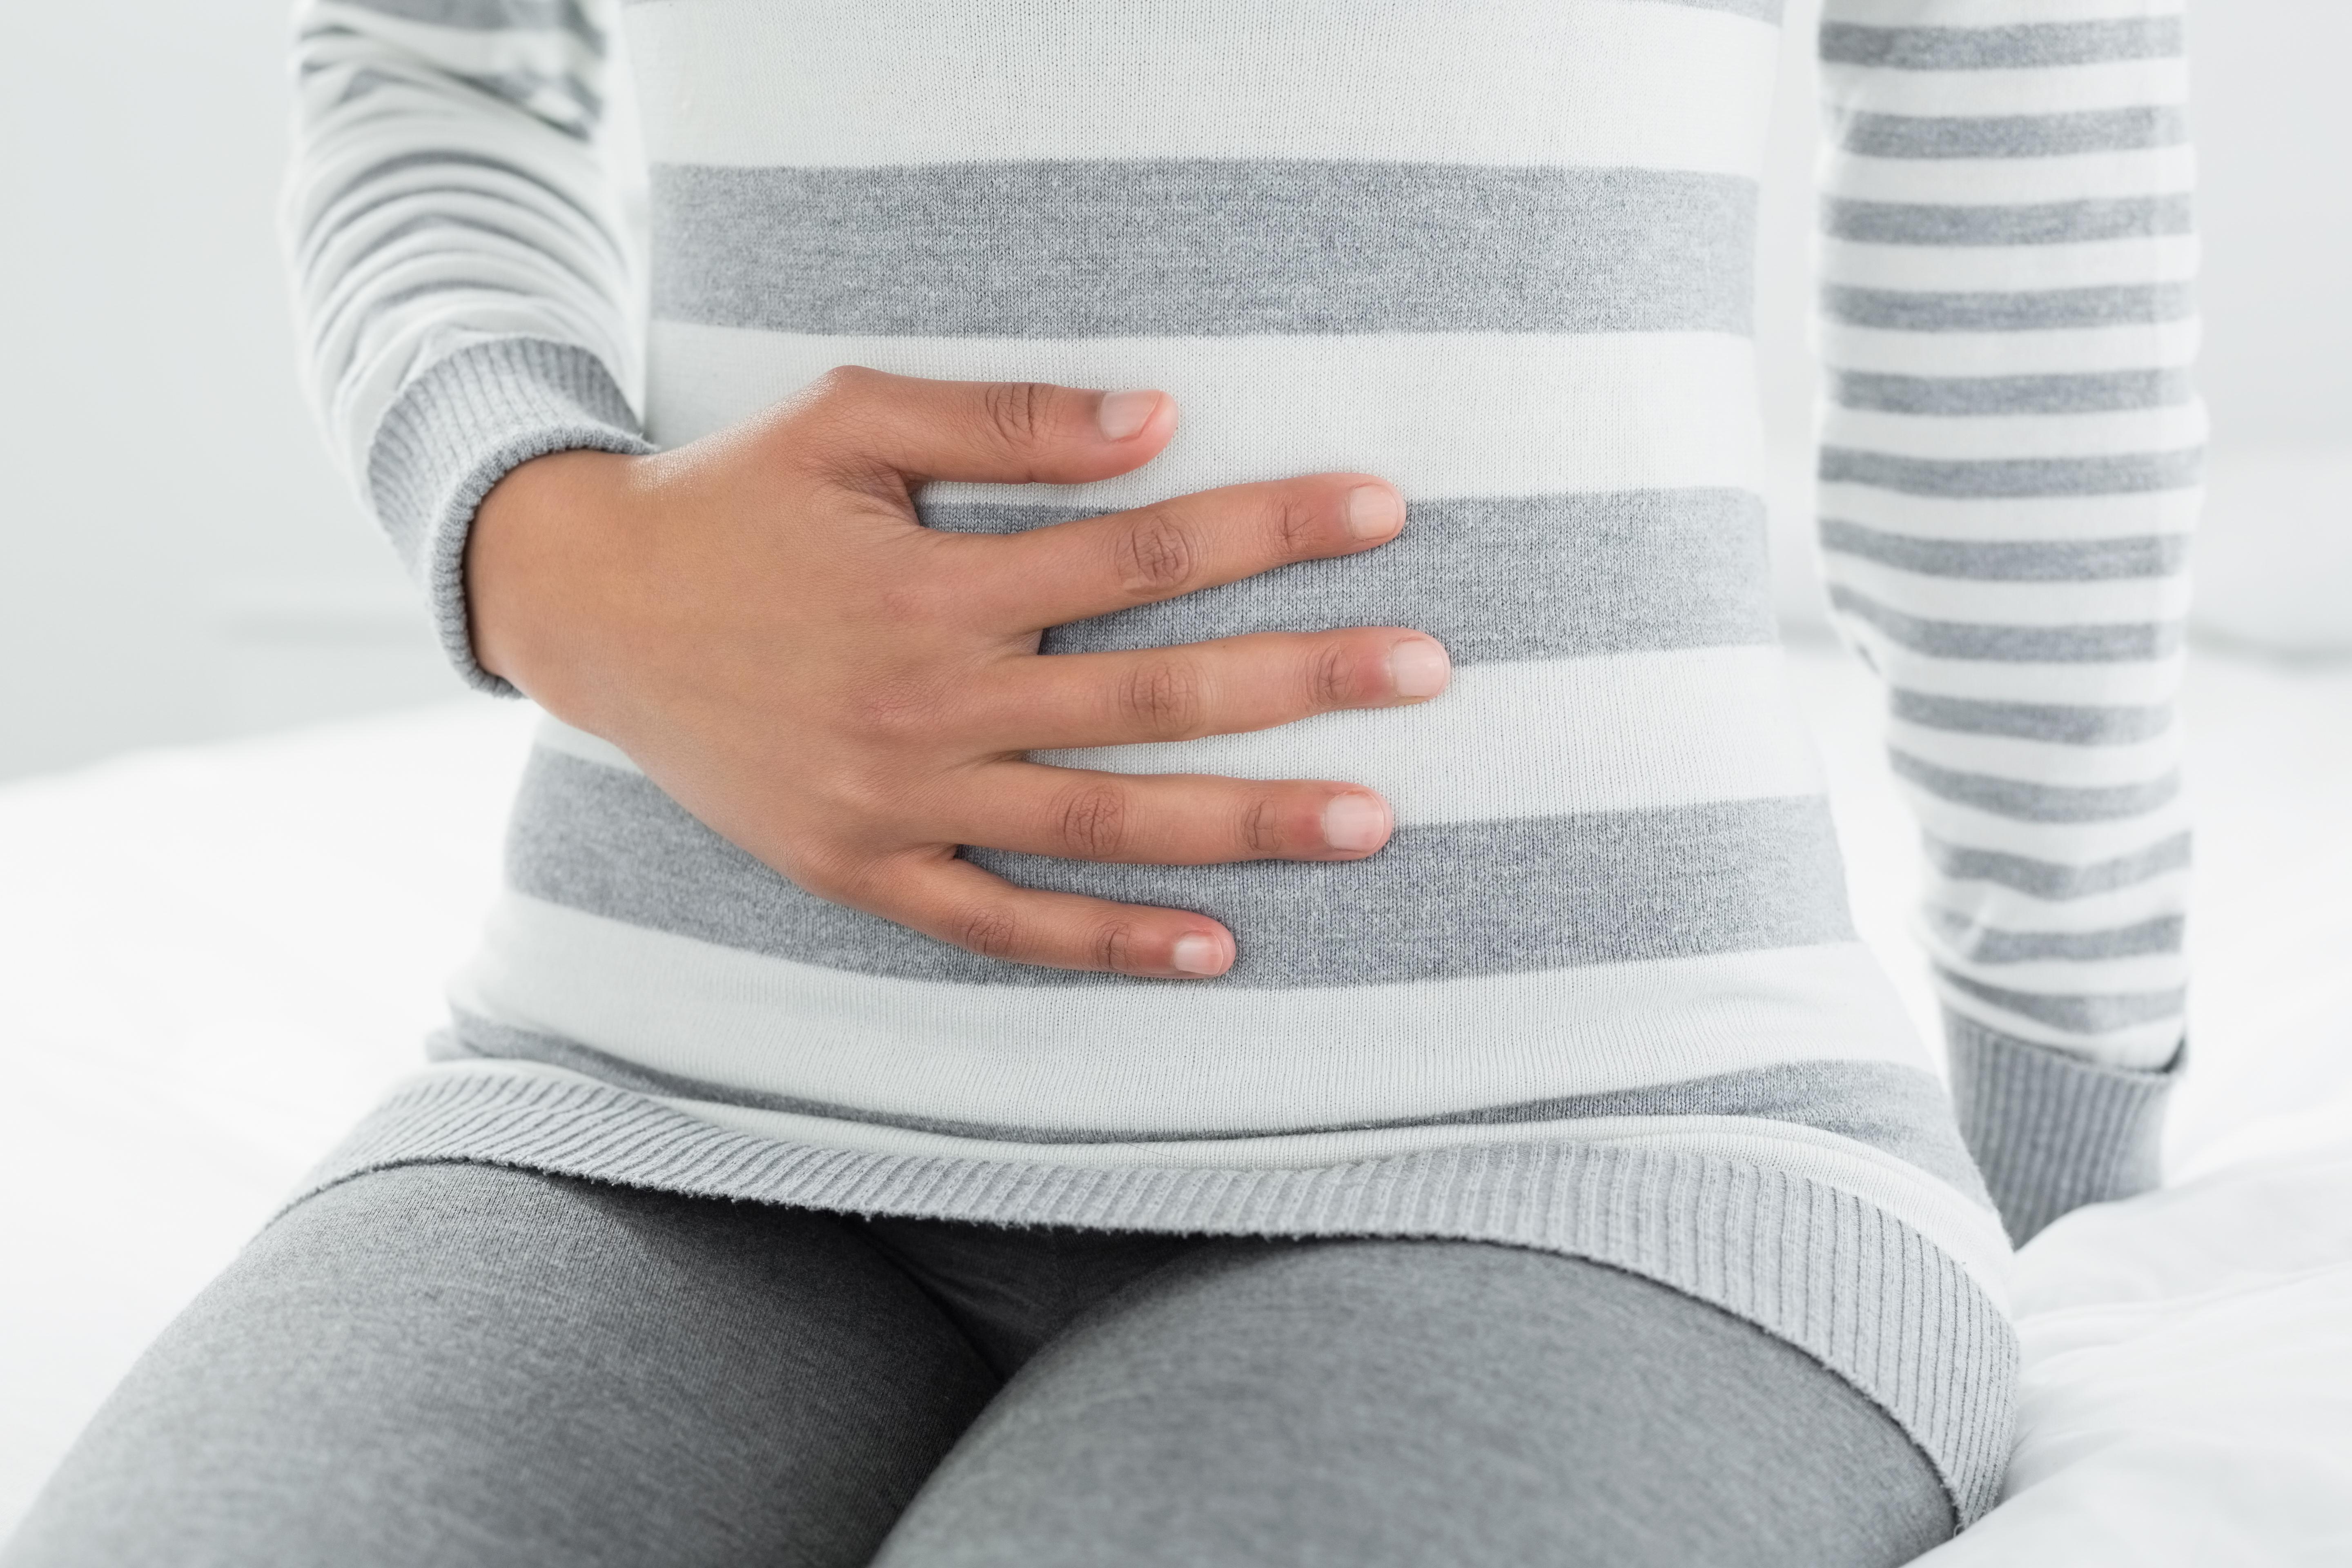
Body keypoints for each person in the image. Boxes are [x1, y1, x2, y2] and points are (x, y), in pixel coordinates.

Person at [3, 2, 2198, 1563]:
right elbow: (427, 54)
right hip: (637, 1100)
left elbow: (2021, 282)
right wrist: (536, 538)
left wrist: (2066, 1158)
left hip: (1592, 1143)